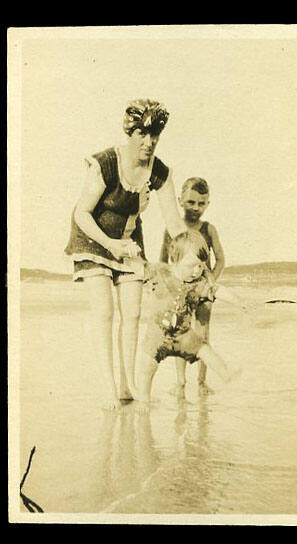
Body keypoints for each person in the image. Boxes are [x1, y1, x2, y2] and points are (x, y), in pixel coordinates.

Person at [65, 99, 186, 410]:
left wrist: (189, 253)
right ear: (130, 132)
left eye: (154, 136)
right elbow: (81, 213)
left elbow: (174, 224)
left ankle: (127, 386)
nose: (148, 143)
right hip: (93, 238)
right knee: (105, 313)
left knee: (132, 314)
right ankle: (109, 389)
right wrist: (111, 244)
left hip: (129, 239)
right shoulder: (106, 163)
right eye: (142, 135)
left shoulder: (160, 171)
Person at [135, 231, 243, 414]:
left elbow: (216, 290)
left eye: (201, 266)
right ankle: (144, 398)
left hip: (184, 335)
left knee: (205, 349)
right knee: (147, 365)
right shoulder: (159, 272)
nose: (197, 271)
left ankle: (226, 373)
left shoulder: (198, 283)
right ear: (174, 260)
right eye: (191, 266)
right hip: (157, 336)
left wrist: (238, 301)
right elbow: (139, 267)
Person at [160, 177, 225, 398]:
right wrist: (169, 287)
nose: (196, 208)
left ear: (208, 204)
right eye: (190, 202)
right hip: (180, 290)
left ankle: (202, 382)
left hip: (204, 290)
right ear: (180, 201)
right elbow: (162, 263)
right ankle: (180, 382)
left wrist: (211, 283)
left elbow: (221, 260)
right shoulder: (172, 228)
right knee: (181, 333)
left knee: (203, 334)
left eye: (201, 203)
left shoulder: (209, 229)